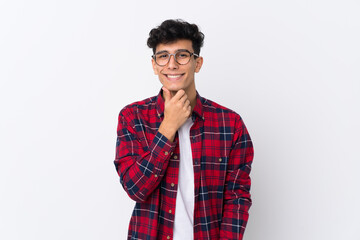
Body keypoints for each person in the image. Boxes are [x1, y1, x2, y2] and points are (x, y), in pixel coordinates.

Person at [114, 19, 254, 240]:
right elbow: (135, 188)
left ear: (197, 63)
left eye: (182, 55)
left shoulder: (230, 123)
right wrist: (168, 126)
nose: (171, 64)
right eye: (163, 56)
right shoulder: (133, 117)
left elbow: (237, 198)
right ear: (154, 65)